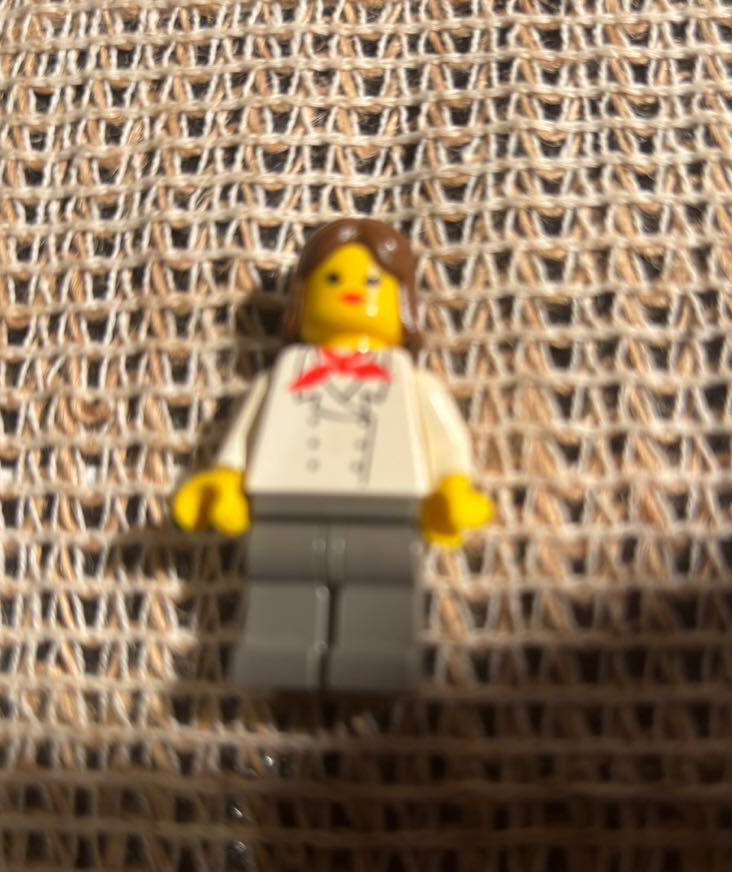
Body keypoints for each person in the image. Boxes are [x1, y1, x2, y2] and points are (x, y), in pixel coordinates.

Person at [172, 218, 492, 691]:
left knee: (379, 581)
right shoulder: (281, 378)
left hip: (387, 504)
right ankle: (277, 656)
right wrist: (225, 479)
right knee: (281, 576)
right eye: (333, 279)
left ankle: (376, 662)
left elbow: (446, 443)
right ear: (303, 298)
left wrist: (452, 485)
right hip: (284, 503)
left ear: (403, 302)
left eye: (372, 282)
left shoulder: (411, 383)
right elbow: (242, 438)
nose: (352, 291)